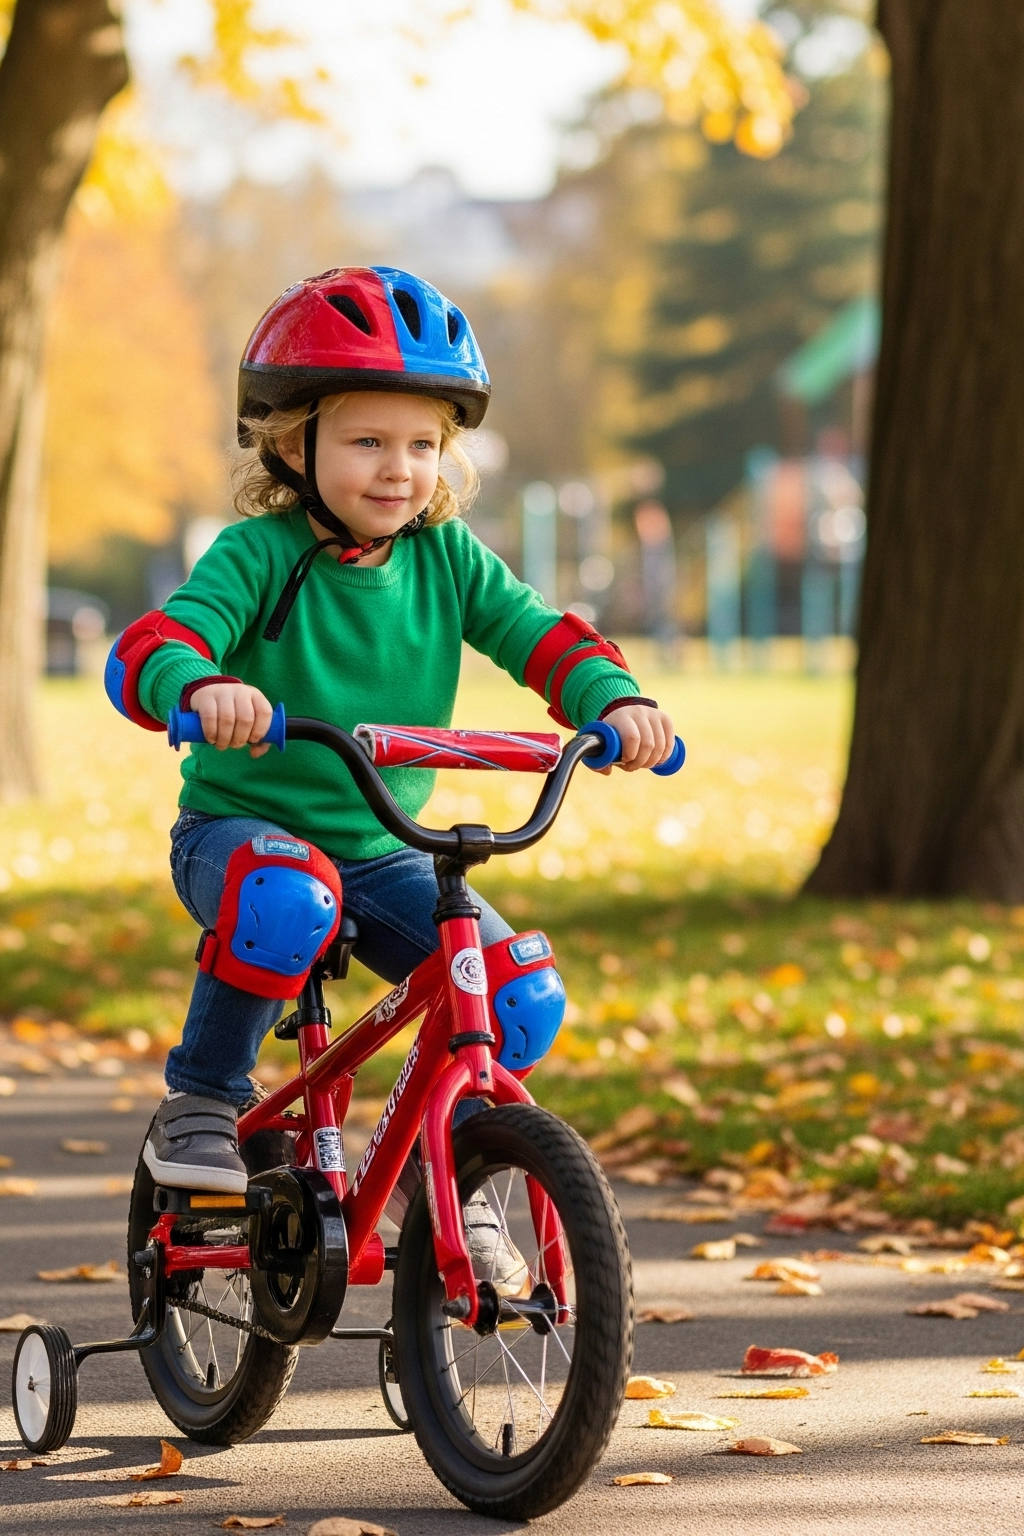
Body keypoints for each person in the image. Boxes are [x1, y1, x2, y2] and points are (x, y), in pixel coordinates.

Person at [103, 266, 675, 1276]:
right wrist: (197, 688)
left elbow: (539, 635)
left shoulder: (447, 559)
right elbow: (153, 644)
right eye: (365, 440)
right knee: (284, 898)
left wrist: (613, 703)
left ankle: (435, 1165)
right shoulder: (257, 554)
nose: (396, 469)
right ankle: (203, 1095)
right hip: (240, 834)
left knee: (514, 997)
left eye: (420, 444)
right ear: (293, 443)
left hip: (378, 845)